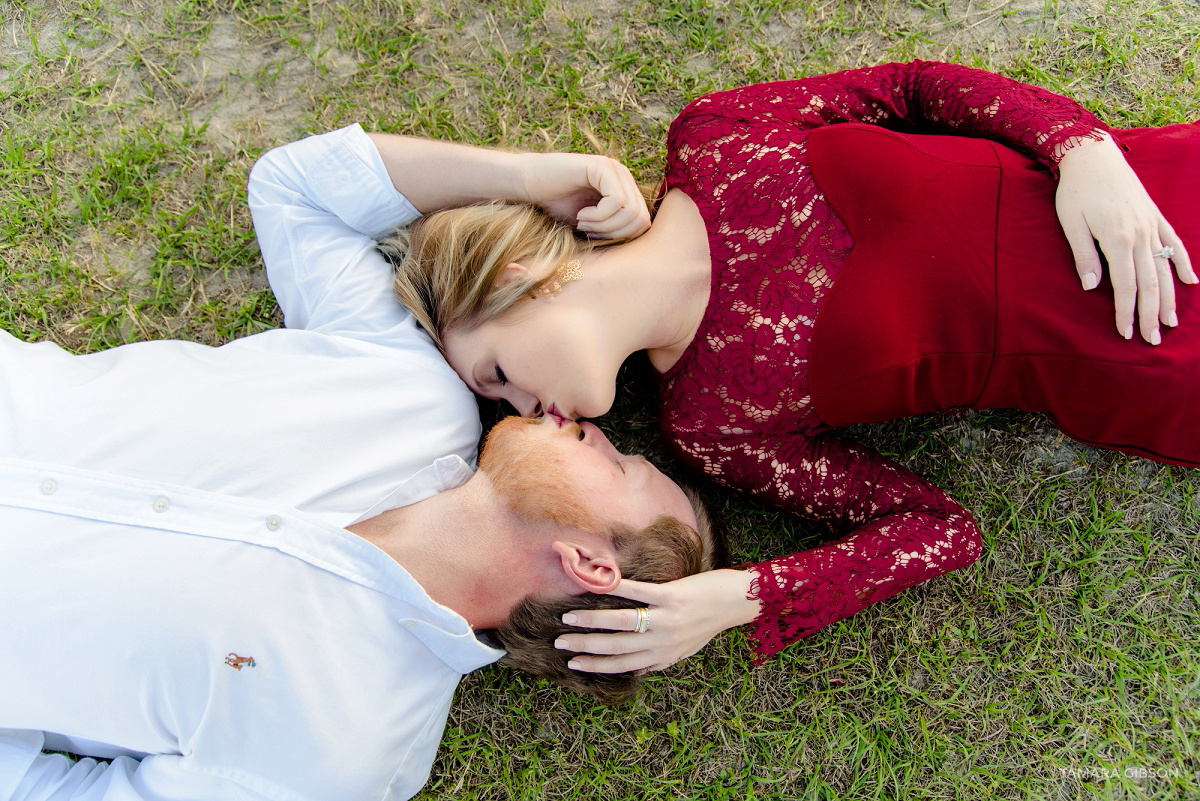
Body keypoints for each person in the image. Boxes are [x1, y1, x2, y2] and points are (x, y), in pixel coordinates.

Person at [384, 60, 1199, 674]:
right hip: (1155, 352)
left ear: (515, 282)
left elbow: (914, 88)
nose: (522, 409)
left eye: (495, 373)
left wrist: (1084, 150)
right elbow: (936, 530)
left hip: (1154, 190)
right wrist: (738, 598)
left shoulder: (716, 137)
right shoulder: (713, 424)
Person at [0, 126, 715, 801]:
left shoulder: (350, 750)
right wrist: (536, 176)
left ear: (590, 564)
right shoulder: (414, 392)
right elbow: (295, 189)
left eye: (620, 465)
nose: (596, 428)